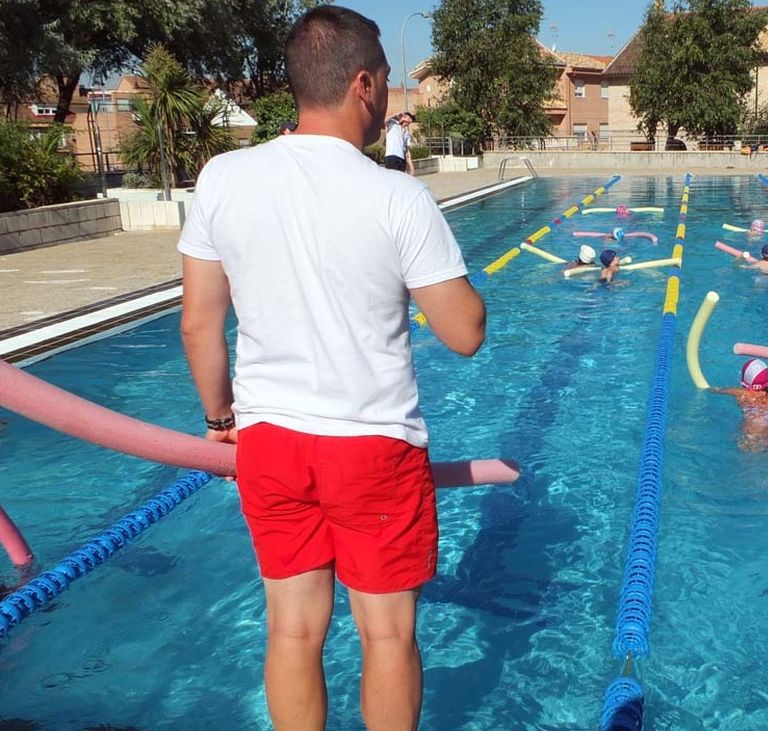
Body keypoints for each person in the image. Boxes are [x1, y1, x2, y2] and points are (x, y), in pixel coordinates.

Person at [177, 7, 486, 731]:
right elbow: (464, 332)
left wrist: (220, 419)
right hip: (373, 444)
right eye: (383, 81)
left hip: (271, 441)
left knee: (292, 629)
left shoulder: (223, 177)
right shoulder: (397, 195)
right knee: (386, 633)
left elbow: (199, 323)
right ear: (364, 84)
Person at [711, 359, 768, 462]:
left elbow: (720, 390)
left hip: (757, 423)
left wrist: (714, 390)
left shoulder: (742, 393)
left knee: (748, 454)